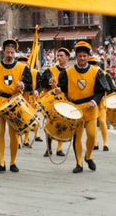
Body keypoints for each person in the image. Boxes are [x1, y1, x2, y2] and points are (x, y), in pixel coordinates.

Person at [57, 41, 110, 173]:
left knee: (92, 135)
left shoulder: (96, 71)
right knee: (77, 137)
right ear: (77, 57)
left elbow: (102, 90)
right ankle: (79, 163)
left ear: (88, 57)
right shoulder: (67, 72)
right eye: (80, 56)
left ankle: (88, 156)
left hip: (91, 108)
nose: (82, 58)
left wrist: (94, 101)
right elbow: (62, 87)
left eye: (84, 56)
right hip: (75, 109)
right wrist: (59, 90)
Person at [0, 39, 33, 173]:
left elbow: (30, 84)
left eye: (12, 52)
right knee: (0, 133)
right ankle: (1, 162)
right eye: (7, 52)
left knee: (14, 134)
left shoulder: (22, 68)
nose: (10, 55)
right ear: (3, 51)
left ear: (15, 52)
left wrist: (23, 85)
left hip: (15, 103)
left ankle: (13, 162)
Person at [39, 46, 71, 158]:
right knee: (49, 123)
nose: (59, 57)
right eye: (58, 55)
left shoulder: (71, 71)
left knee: (62, 123)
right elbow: (41, 83)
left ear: (67, 57)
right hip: (52, 101)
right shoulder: (51, 70)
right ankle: (48, 148)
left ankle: (59, 148)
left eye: (62, 56)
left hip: (64, 100)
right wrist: (48, 81)